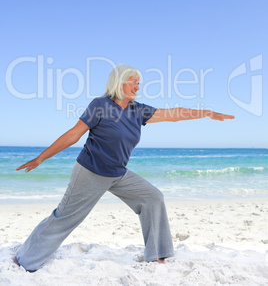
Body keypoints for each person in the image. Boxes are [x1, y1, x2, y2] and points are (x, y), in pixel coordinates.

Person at [14, 64, 235, 271]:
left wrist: (205, 113)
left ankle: (157, 254)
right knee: (65, 216)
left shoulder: (138, 111)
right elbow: (74, 134)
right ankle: (25, 259)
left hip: (118, 174)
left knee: (153, 197)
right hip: (90, 172)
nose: (137, 87)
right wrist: (40, 158)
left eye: (139, 83)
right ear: (119, 82)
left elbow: (172, 114)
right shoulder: (100, 105)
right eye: (133, 82)